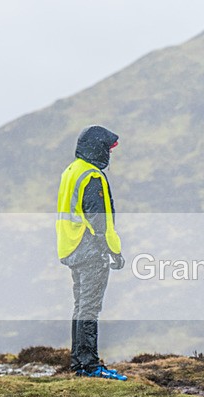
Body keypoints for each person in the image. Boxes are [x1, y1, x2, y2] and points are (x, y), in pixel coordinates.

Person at [56, 125, 127, 381]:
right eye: (108, 149)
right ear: (99, 149)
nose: (109, 154)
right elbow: (101, 222)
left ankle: (79, 364)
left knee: (80, 307)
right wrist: (115, 251)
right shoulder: (92, 177)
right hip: (90, 250)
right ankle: (89, 366)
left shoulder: (72, 171)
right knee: (90, 308)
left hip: (71, 246)